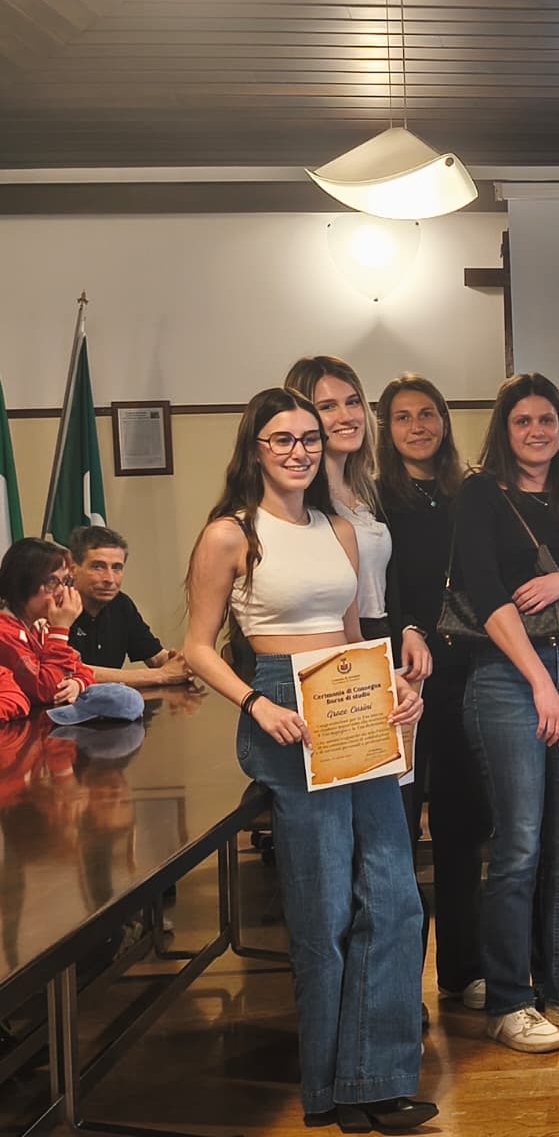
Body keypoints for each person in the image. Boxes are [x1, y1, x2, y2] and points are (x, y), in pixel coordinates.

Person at [181, 387, 433, 1131]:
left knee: (394, 897)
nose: (299, 452)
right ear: (255, 449)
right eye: (282, 440)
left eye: (310, 439)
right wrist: (255, 705)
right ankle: (329, 1089)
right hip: (281, 705)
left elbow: (352, 635)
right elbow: (197, 647)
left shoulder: (339, 528)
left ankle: (376, 1078)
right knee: (323, 910)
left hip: (351, 700)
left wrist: (394, 689)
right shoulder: (231, 533)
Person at [454, 373, 559, 1052]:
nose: (536, 431)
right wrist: (539, 683)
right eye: (523, 421)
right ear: (505, 429)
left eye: (547, 420)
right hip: (508, 675)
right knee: (519, 845)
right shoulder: (480, 493)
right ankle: (509, 1000)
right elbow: (486, 596)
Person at [376, 373, 490, 1011]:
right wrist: (405, 632)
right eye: (403, 417)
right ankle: (402, 988)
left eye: (428, 414)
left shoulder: (469, 492)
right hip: (397, 681)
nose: (418, 426)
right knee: (396, 834)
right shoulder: (371, 500)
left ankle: (462, 970)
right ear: (386, 429)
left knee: (462, 827)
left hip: (464, 675)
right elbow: (372, 593)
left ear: (444, 422)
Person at [285, 356, 432, 679]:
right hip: (327, 653)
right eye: (328, 407)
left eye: (352, 402)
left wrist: (407, 628)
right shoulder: (296, 501)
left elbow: (387, 585)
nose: (347, 416)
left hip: (380, 639)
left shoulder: (371, 493)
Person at [64, 526, 191, 686]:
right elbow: (68, 671)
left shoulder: (121, 604)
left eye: (117, 568)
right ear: (73, 570)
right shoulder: (54, 606)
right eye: (98, 567)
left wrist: (180, 664)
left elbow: (155, 657)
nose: (110, 579)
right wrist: (160, 675)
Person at [0, 538, 96, 709]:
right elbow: (47, 690)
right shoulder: (4, 632)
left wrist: (77, 684)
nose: (62, 591)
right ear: (22, 583)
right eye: (52, 582)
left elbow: (82, 670)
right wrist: (60, 630)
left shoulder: (38, 626)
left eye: (65, 581)